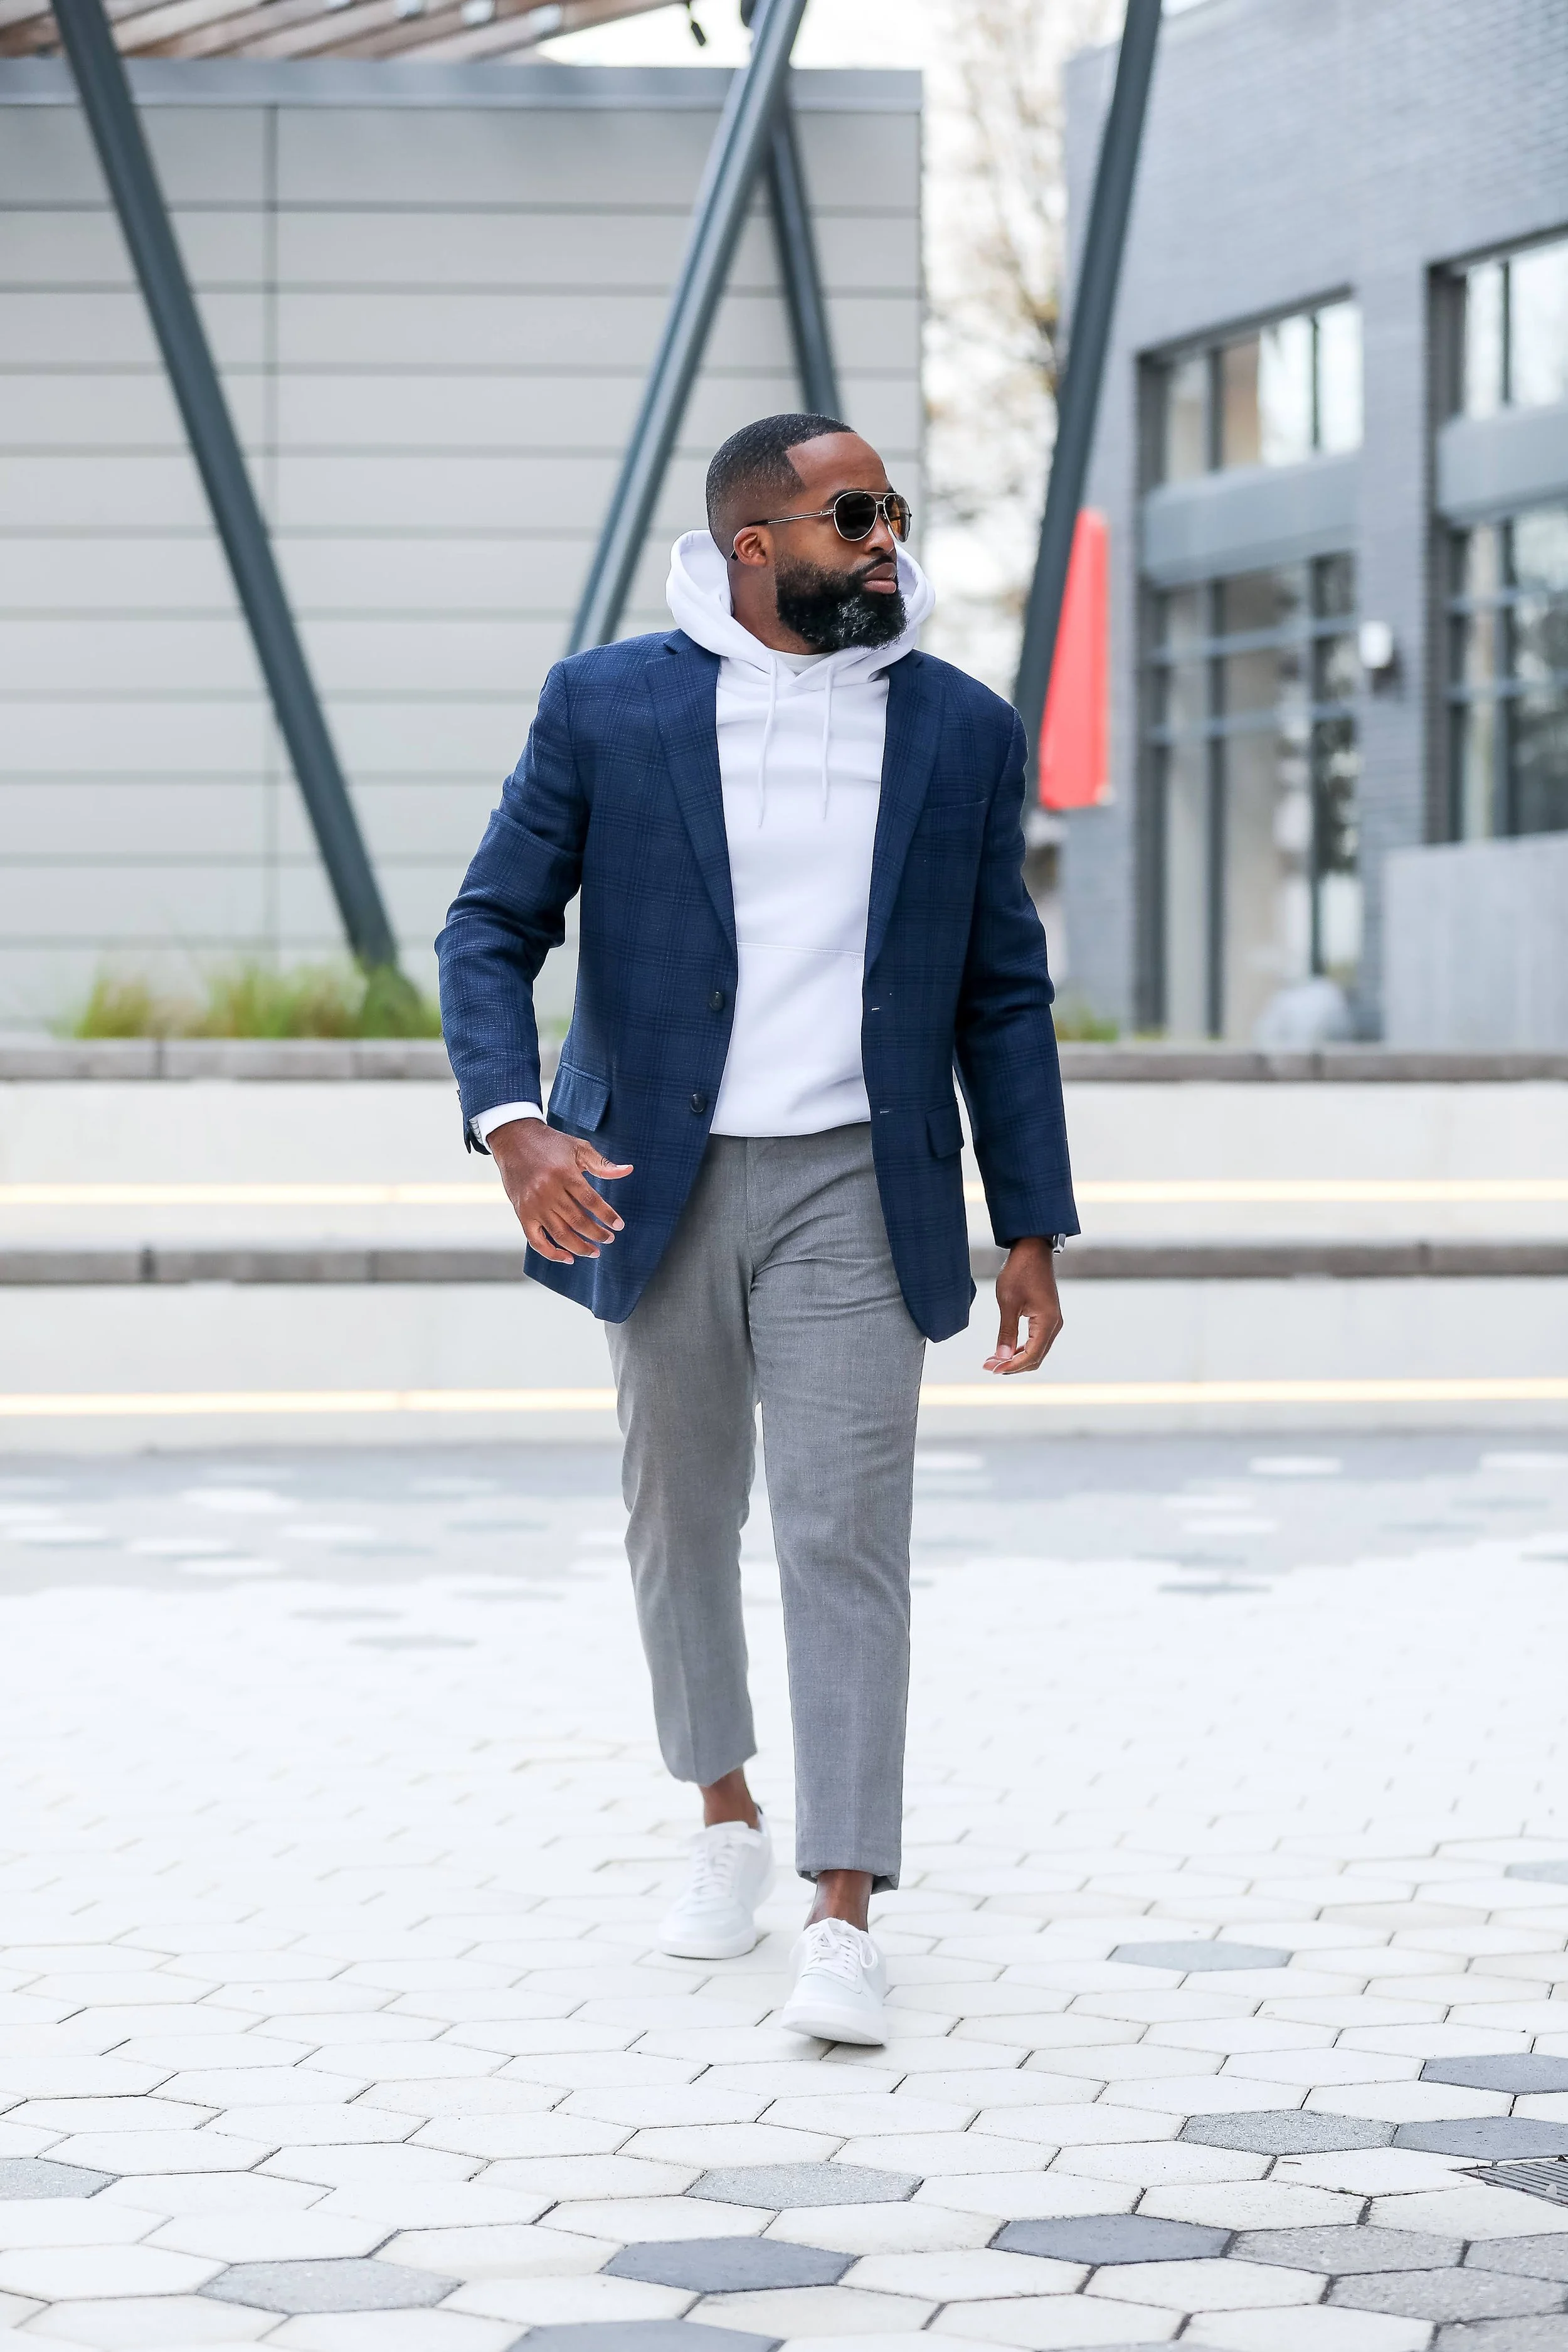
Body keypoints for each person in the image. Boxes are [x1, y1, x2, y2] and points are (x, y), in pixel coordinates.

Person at [437, 413, 1077, 2045]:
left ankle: (844, 1903)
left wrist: (1030, 1222)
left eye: (894, 513)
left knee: (841, 1532)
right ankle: (719, 1806)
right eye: (850, 514)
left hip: (861, 1185)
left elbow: (1000, 990)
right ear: (752, 543)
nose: (884, 541)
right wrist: (515, 1124)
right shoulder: (609, 705)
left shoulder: (958, 729)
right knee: (680, 1517)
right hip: (654, 1176)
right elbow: (488, 928)